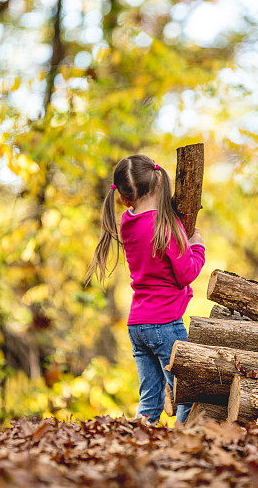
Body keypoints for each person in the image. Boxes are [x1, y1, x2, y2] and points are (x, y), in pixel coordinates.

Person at [86, 154, 205, 423]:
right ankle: (182, 444)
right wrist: (197, 245)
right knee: (183, 392)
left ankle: (138, 441)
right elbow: (186, 273)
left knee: (150, 397)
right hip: (165, 324)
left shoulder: (127, 222)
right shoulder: (165, 225)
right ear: (158, 183)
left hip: (137, 324)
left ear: (125, 198)